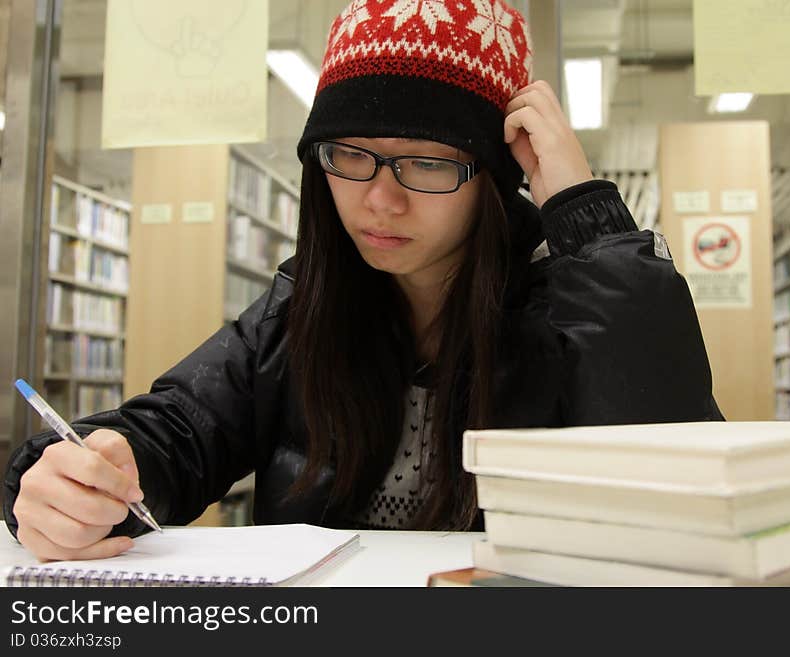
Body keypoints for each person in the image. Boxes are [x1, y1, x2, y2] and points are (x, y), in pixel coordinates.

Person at [4, 0, 722, 561]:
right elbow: (173, 428)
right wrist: (73, 475)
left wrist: (582, 210)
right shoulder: (298, 311)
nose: (380, 200)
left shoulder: (567, 308)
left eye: (428, 163)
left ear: (494, 182)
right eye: (351, 155)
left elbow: (680, 470)